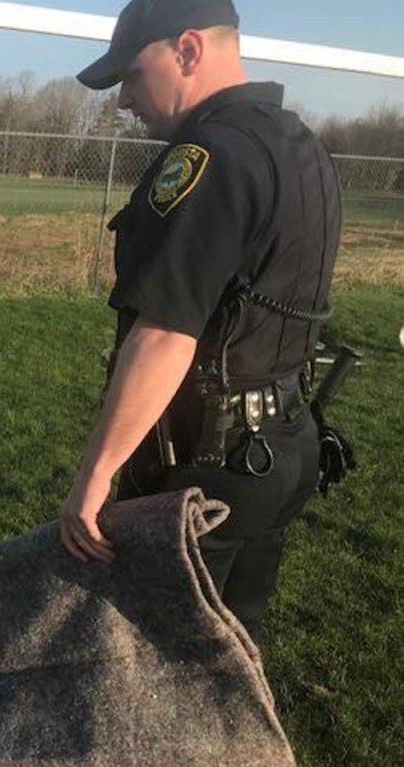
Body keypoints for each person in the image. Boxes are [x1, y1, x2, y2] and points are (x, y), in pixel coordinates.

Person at [59, 0, 341, 637]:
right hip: (284, 449)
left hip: (206, 468)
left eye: (131, 74)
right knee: (231, 661)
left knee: (157, 665)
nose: (125, 100)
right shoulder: (301, 146)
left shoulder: (206, 161)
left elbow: (163, 335)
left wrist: (94, 478)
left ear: (187, 50)